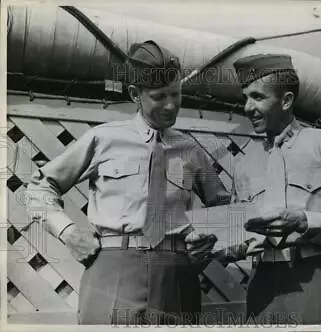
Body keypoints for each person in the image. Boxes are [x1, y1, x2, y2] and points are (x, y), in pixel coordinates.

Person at [26, 40, 231, 325]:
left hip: (177, 275)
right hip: (113, 269)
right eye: (159, 97)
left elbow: (224, 207)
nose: (171, 105)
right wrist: (68, 233)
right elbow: (38, 189)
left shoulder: (190, 150)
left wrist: (208, 237)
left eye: (176, 94)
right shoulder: (103, 140)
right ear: (135, 94)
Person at [231, 54, 321, 325]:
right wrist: (216, 244)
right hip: (261, 287)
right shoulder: (244, 162)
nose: (247, 108)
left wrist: (305, 221)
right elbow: (238, 234)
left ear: (286, 100)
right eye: (245, 98)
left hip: (314, 281)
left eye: (257, 97)